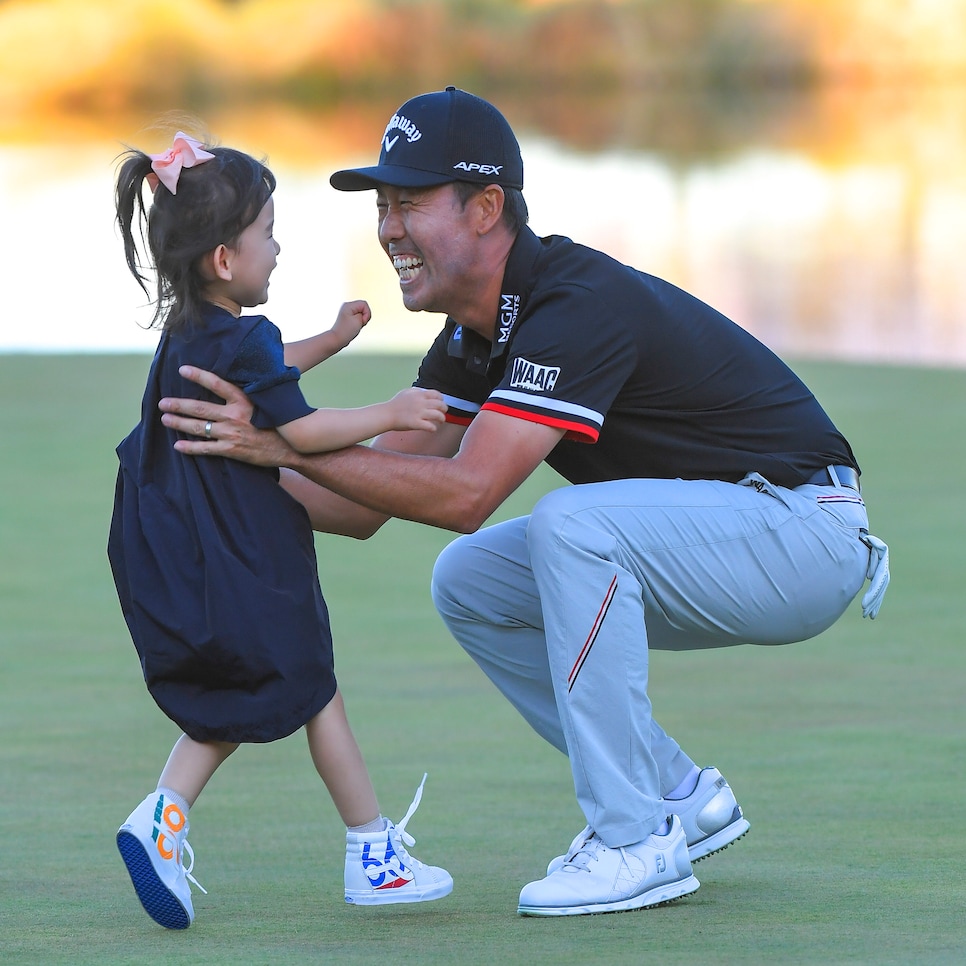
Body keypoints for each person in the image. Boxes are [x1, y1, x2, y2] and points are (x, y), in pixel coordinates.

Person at [155, 91, 891, 918]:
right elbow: (364, 499)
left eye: (409, 203)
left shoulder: (573, 303)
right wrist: (218, 464)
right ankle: (672, 795)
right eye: (383, 208)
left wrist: (278, 443)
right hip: (741, 531)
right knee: (470, 580)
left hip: (805, 533)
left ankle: (634, 840)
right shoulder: (476, 334)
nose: (389, 229)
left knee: (570, 526)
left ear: (486, 208)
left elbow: (468, 492)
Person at [108, 132, 453, 930]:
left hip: (186, 549)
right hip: (249, 554)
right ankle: (372, 852)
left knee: (249, 690)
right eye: (268, 233)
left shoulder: (195, 331)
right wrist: (392, 413)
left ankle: (160, 817)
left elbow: (264, 375)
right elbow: (300, 431)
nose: (279, 246)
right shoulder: (242, 336)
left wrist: (329, 340)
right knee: (313, 685)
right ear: (226, 259)